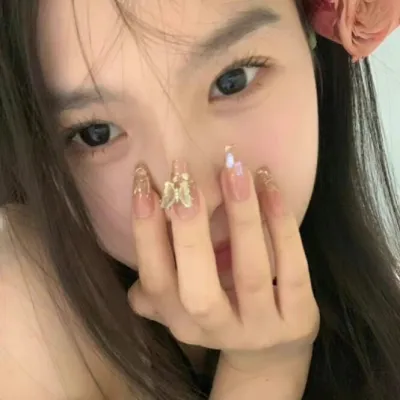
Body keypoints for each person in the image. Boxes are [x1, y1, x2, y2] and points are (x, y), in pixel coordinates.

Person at [0, 0, 399, 398]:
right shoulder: (25, 314)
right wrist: (263, 371)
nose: (195, 202)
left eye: (233, 81)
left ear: (313, 51)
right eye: (96, 133)